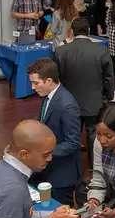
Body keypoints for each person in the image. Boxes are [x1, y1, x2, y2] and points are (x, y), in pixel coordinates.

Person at [55, 17, 115, 159]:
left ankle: (71, 167)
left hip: (68, 102)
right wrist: (107, 97)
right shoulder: (101, 51)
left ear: (72, 32)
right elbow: (109, 78)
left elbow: (57, 79)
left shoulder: (61, 51)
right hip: (94, 102)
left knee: (70, 137)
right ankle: (94, 169)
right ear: (88, 31)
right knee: (93, 136)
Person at [27, 58, 82, 205]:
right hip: (48, 170)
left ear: (49, 81)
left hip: (62, 175)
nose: (32, 87)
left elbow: (73, 143)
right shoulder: (48, 97)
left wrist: (44, 153)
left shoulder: (67, 105)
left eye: (36, 83)